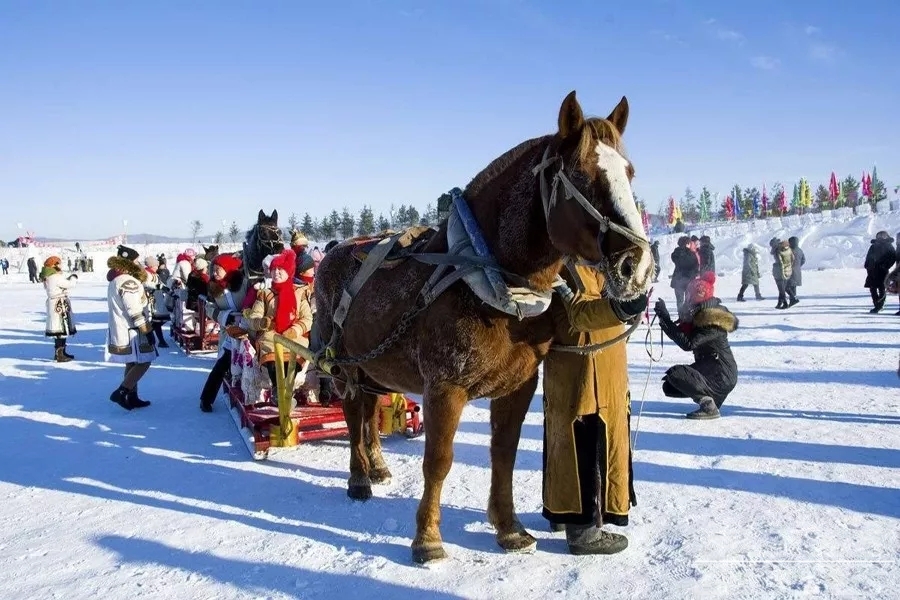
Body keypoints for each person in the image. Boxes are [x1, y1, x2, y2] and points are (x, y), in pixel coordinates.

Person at [543, 264, 648, 555]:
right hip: (586, 375)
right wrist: (623, 308)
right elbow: (579, 314)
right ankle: (585, 533)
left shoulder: (594, 262)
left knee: (569, 445)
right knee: (584, 447)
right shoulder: (566, 263)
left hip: (600, 371)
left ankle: (562, 514)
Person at [653, 271, 739, 419]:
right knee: (670, 385)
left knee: (676, 373)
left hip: (722, 374)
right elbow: (684, 335)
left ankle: (708, 405)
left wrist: (666, 319)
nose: (688, 299)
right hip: (712, 369)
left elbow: (688, 343)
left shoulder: (713, 320)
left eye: (690, 295)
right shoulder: (701, 315)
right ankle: (711, 399)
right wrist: (664, 318)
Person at [242, 248, 313, 406]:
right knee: (273, 360)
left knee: (293, 361)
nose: (276, 273)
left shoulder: (299, 293)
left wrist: (295, 330)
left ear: (289, 272)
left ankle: (286, 393)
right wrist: (261, 322)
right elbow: (254, 316)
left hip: (295, 336)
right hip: (271, 335)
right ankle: (278, 391)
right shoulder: (265, 294)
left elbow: (307, 318)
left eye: (280, 270)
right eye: (274, 270)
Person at [105, 245, 155, 410]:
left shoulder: (116, 279)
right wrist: (146, 329)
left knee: (132, 362)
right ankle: (122, 391)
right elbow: (133, 309)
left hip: (123, 328)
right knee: (144, 361)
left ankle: (131, 396)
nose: (138, 263)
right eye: (136, 260)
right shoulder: (128, 281)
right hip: (132, 330)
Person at [199, 254, 247, 412]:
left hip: (248, 330)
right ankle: (206, 398)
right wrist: (226, 316)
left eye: (218, 269)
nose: (214, 273)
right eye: (213, 269)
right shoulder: (214, 287)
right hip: (229, 332)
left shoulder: (244, 283)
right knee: (222, 363)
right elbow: (209, 308)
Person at [40, 256, 78, 362]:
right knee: (61, 329)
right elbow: (69, 284)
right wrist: (74, 277)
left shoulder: (48, 276)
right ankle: (60, 354)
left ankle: (61, 352)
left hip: (54, 303)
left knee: (59, 329)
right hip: (59, 304)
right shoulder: (55, 276)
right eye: (59, 264)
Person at [863, 231, 896, 314]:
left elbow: (892, 258)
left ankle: (880, 305)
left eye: (883, 236)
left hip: (882, 271)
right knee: (872, 289)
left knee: (882, 288)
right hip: (872, 271)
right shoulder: (873, 246)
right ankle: (876, 305)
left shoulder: (889, 246)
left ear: (886, 236)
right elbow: (868, 257)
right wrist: (867, 265)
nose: (881, 237)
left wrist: (885, 265)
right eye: (879, 236)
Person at [670, 236, 699, 313]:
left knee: (679, 301)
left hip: (678, 280)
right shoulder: (691, 254)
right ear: (687, 244)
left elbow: (675, 259)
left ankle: (680, 316)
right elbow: (696, 267)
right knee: (688, 301)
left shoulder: (676, 253)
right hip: (689, 281)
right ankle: (686, 318)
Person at [770, 238, 795, 309]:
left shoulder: (778, 251)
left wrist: (781, 272)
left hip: (780, 272)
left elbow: (780, 263)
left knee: (781, 289)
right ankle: (781, 303)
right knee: (783, 288)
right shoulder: (788, 248)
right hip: (788, 270)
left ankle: (785, 303)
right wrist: (789, 267)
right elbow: (793, 258)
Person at [786, 236, 805, 304]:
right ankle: (793, 299)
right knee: (793, 286)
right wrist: (798, 266)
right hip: (797, 271)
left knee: (785, 286)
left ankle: (793, 298)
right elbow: (803, 260)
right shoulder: (800, 250)